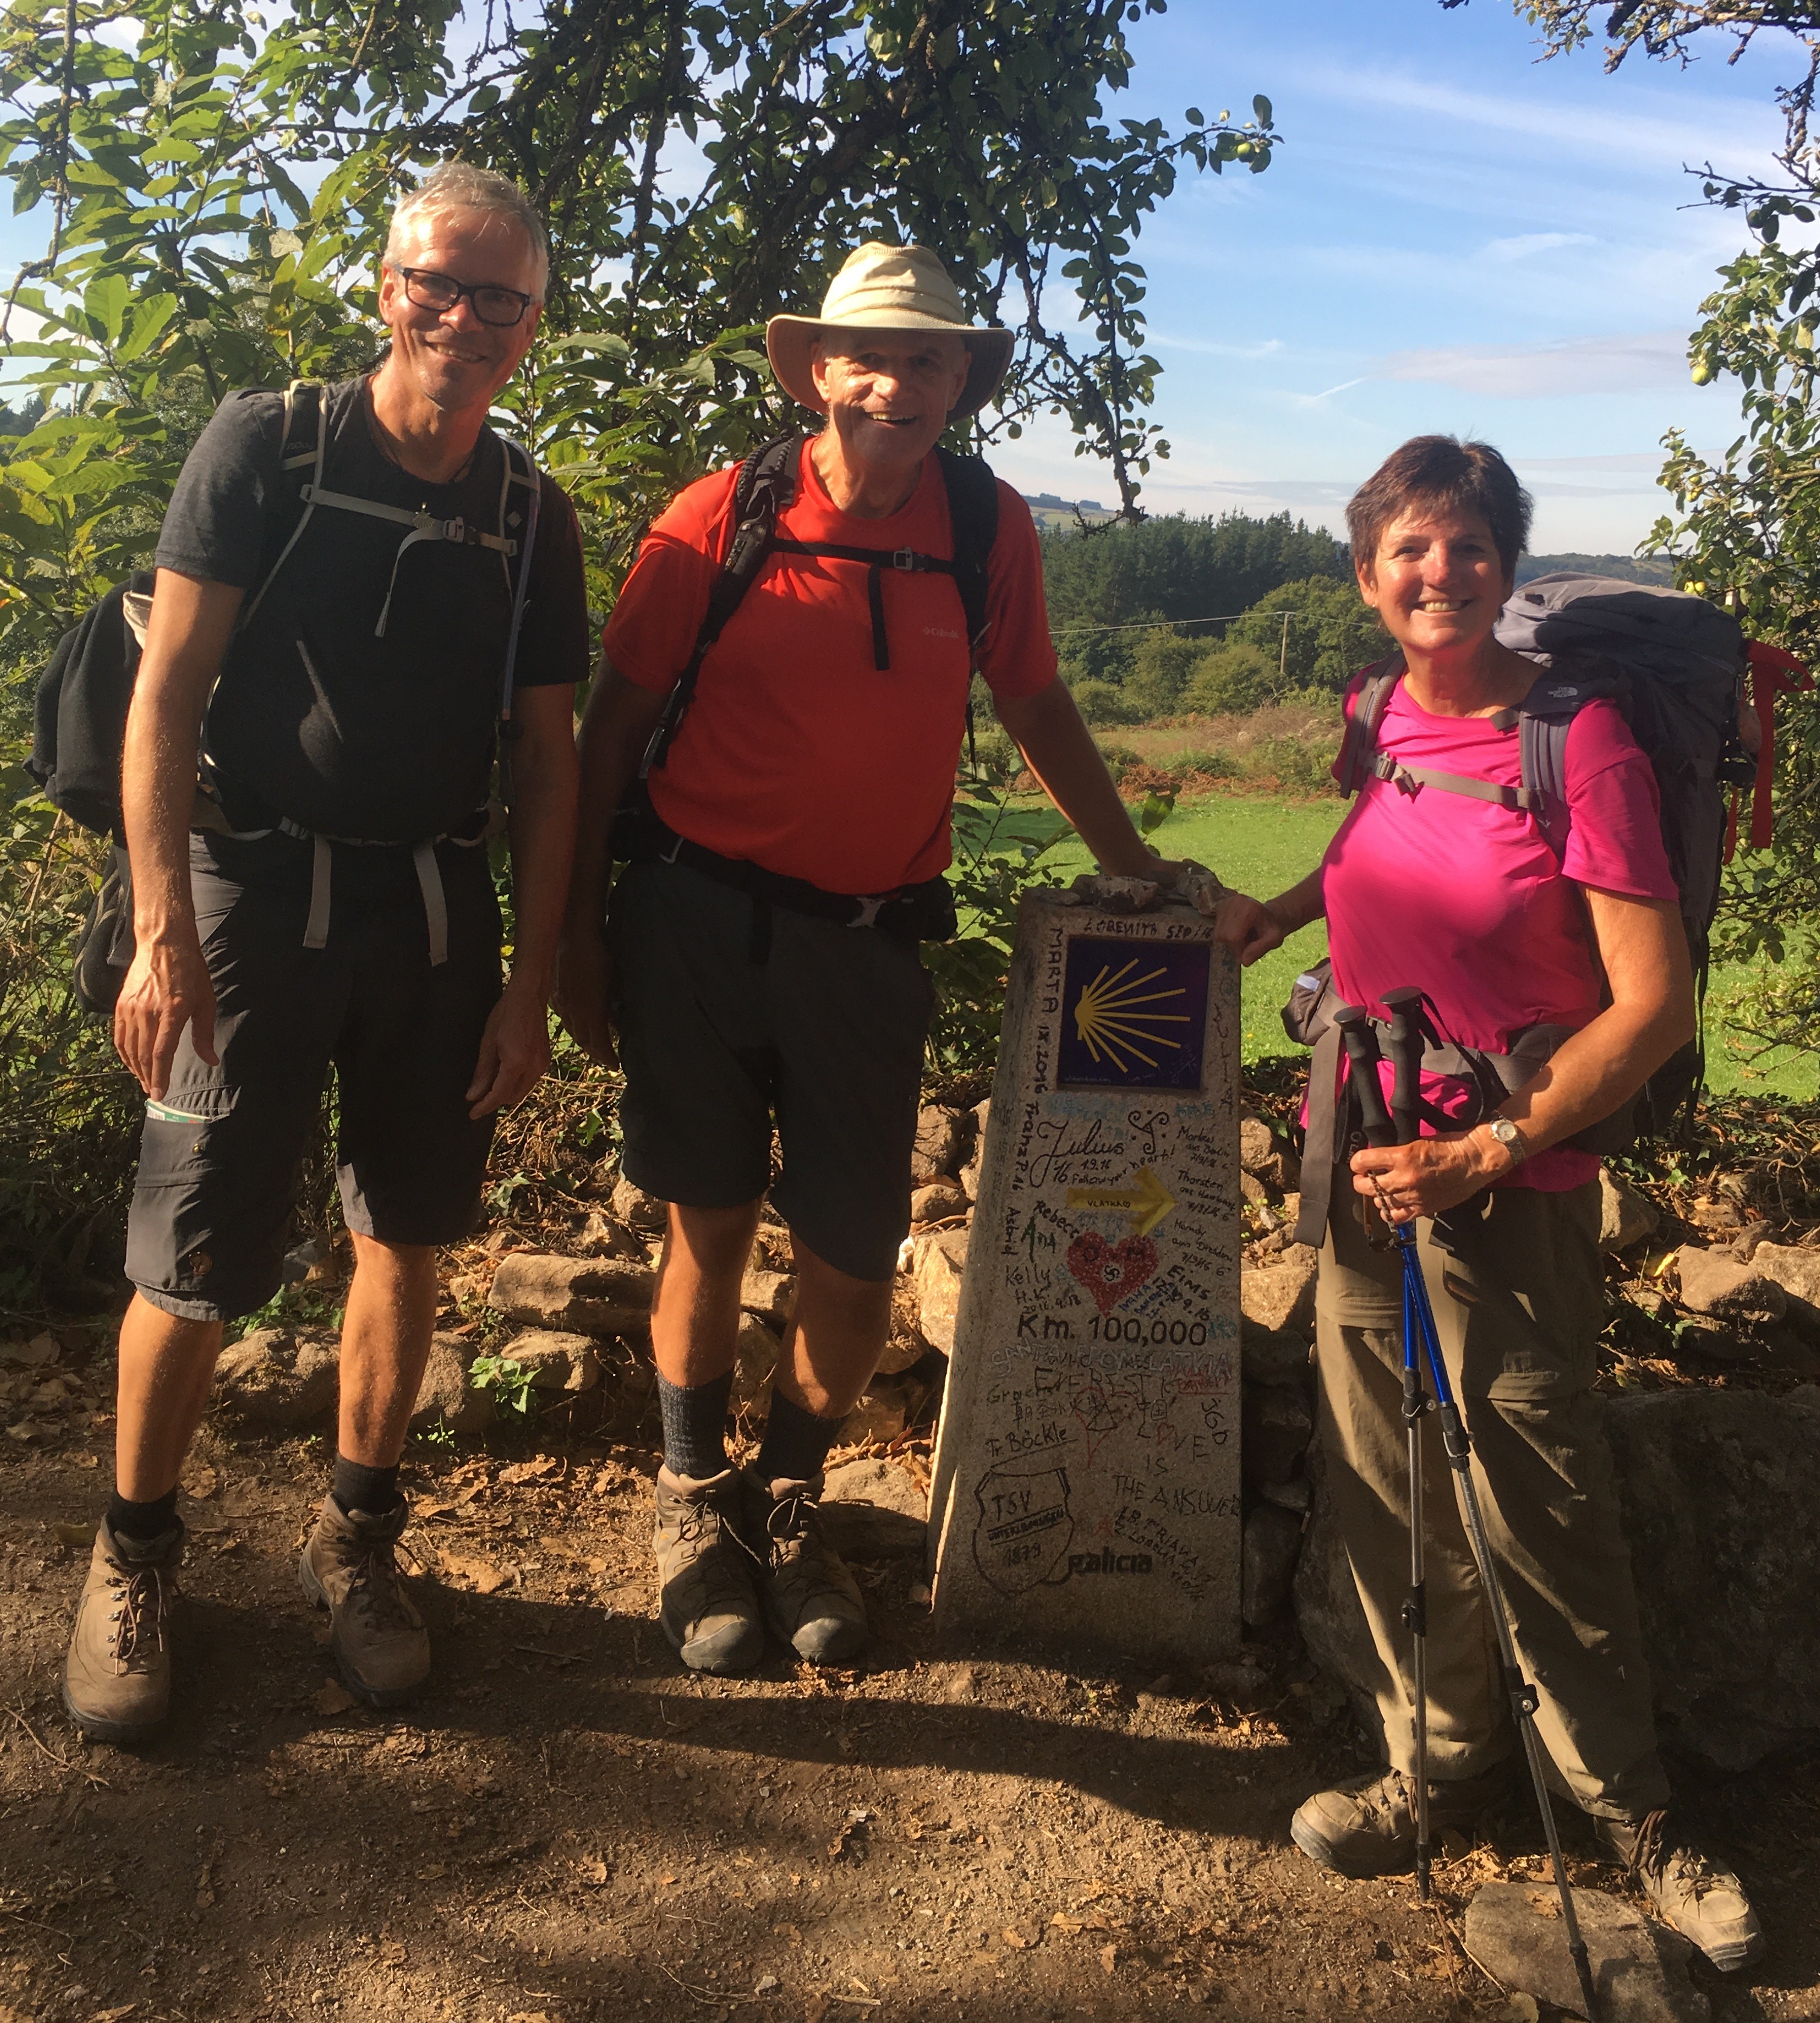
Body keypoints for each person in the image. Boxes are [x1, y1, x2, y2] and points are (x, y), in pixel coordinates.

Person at [556, 239, 1219, 1675]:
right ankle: (692, 1498)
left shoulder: (985, 528)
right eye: (871, 355)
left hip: (866, 948)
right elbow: (606, 730)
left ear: (959, 383)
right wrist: (565, 949)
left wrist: (1134, 866)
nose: (898, 382)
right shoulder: (718, 519)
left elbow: (1034, 699)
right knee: (708, 1225)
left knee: (855, 1254)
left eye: (929, 359)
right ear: (815, 370)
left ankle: (788, 1499)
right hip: (690, 921)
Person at [1218, 436, 1763, 1972]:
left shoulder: (1576, 745)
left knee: (1543, 1502)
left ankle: (1634, 1818)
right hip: (1360, 1156)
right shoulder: (1381, 712)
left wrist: (1492, 1151)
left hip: (1501, 1183)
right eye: (1408, 549)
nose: (1438, 574)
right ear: (1366, 572)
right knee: (1383, 1478)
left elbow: (1651, 1004)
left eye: (1467, 550)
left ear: (1506, 569)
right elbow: (1378, 831)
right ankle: (1428, 1769)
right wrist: (1286, 909)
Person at [63, 163, 587, 1737]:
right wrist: (161, 934)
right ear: (386, 285)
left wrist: (535, 974)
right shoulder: (269, 443)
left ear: (533, 327)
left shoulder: (526, 510)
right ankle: (132, 1558)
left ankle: (358, 1549)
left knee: (406, 1235)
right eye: (442, 281)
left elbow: (553, 761)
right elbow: (167, 691)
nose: (467, 317)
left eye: (503, 298)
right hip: (242, 897)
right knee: (195, 1242)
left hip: (433, 914)